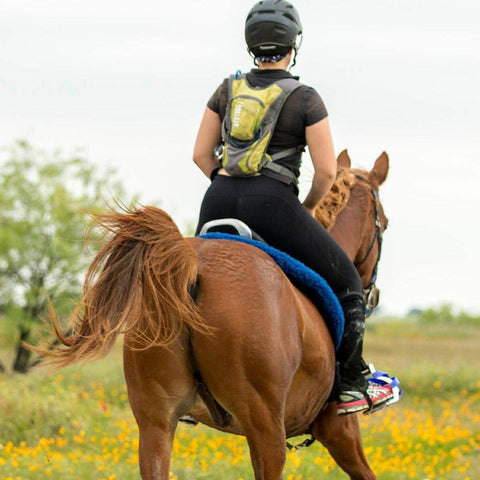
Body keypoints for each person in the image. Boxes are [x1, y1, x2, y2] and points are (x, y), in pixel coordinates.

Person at [193, 0, 393, 416]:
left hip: (218, 198)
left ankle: (188, 379)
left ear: (252, 45)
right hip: (274, 203)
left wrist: (225, 185)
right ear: (293, 45)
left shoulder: (225, 90)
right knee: (348, 286)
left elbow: (199, 155)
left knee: (191, 284)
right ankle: (352, 383)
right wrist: (303, 208)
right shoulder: (305, 98)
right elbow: (324, 171)